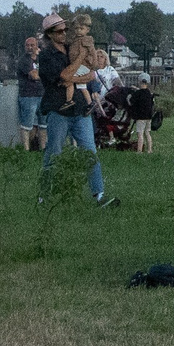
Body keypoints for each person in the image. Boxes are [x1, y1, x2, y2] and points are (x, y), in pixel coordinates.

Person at [38, 17, 115, 207]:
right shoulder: (47, 56)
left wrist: (72, 76)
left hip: (80, 111)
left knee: (90, 152)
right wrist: (78, 63)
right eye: (59, 31)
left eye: (65, 30)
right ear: (49, 34)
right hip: (58, 111)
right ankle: (44, 197)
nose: (64, 34)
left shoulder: (71, 48)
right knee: (53, 153)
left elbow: (89, 74)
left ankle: (99, 195)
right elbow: (63, 75)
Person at [15, 32, 45, 153]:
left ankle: (43, 148)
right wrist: (45, 75)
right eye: (27, 45)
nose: (30, 47)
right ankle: (26, 150)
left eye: (32, 45)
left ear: (37, 46)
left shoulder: (41, 59)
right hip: (28, 95)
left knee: (44, 124)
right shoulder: (23, 60)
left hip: (42, 95)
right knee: (27, 124)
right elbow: (34, 76)